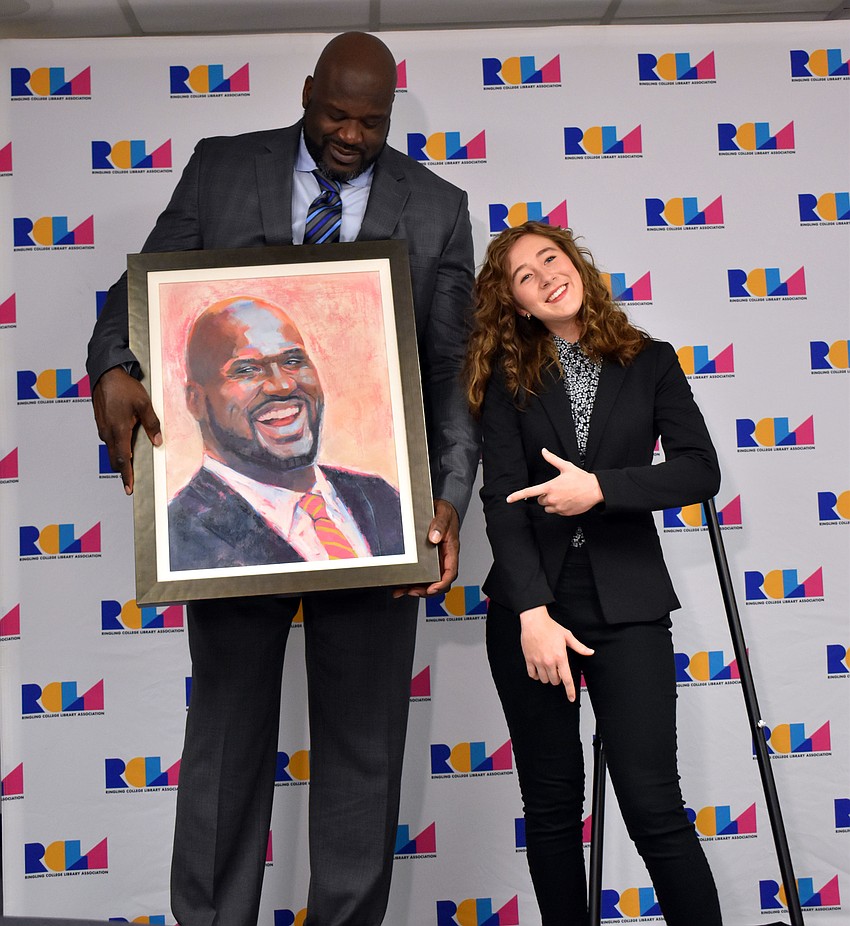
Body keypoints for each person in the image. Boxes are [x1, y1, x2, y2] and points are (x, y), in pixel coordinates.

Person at [86, 32, 479, 926]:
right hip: (223, 528)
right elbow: (139, 293)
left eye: (371, 122)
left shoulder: (439, 205)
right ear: (307, 93)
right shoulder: (222, 169)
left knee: (362, 749)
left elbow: (448, 370)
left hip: (374, 516)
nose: (351, 135)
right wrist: (115, 364)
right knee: (225, 737)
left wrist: (446, 496)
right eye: (336, 114)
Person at [465, 221, 723, 926]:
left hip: (629, 605)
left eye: (552, 257)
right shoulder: (507, 377)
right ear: (517, 303)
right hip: (533, 612)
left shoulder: (651, 361)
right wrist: (533, 613)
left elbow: (700, 471)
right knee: (551, 810)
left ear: (576, 264)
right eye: (525, 274)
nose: (546, 273)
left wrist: (601, 489)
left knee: (654, 806)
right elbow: (502, 501)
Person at [168, 295, 404, 570]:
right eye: (247, 370)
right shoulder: (182, 536)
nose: (281, 385)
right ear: (195, 400)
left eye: (293, 361)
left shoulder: (383, 498)